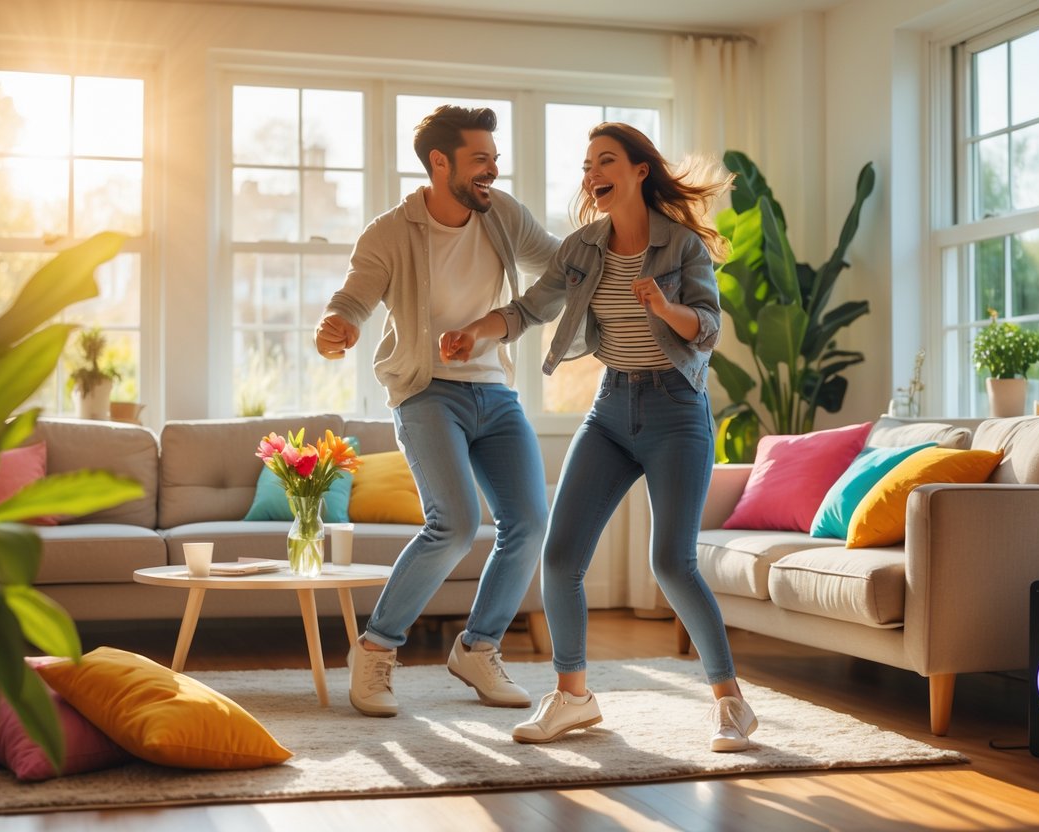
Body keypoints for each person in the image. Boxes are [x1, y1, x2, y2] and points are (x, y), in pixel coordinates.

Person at [440, 123, 757, 752]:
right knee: (559, 558)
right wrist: (477, 330)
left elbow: (709, 327)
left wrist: (665, 309)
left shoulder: (683, 246)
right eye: (587, 166)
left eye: (605, 162)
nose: (592, 175)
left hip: (676, 412)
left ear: (639, 171)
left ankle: (732, 704)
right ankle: (574, 698)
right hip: (612, 409)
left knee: (670, 561)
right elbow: (532, 306)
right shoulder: (583, 248)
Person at [316, 104, 559, 718]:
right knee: (451, 523)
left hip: (494, 393)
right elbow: (355, 298)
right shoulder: (391, 231)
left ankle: (478, 648)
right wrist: (337, 326)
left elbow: (563, 270)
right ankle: (374, 650)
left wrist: (500, 323)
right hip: (427, 393)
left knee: (529, 521)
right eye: (481, 160)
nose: (492, 172)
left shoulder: (502, 215)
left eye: (495, 160)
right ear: (439, 162)